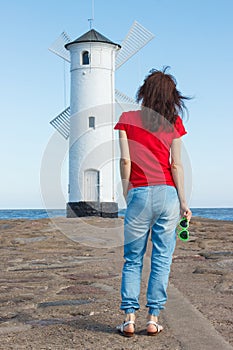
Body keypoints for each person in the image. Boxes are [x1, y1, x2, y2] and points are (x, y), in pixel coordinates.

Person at [114, 67, 192, 337]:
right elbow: (176, 165)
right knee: (161, 258)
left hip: (139, 192)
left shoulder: (127, 119)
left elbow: (125, 161)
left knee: (132, 259)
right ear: (172, 97)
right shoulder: (173, 123)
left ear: (144, 92)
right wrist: (183, 201)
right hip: (168, 194)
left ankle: (129, 318)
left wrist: (127, 192)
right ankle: (153, 317)